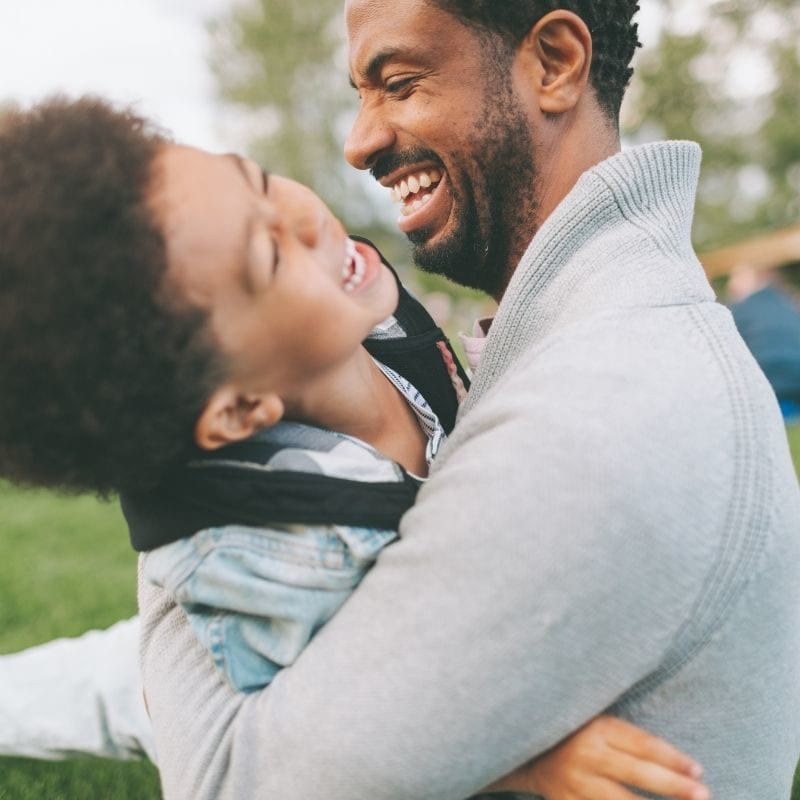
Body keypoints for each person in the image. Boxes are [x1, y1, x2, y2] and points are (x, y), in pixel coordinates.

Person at [131, 1, 800, 798]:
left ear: (553, 62)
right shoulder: (583, 342)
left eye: (401, 84)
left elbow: (229, 779)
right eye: (361, 93)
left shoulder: (594, 418)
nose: (359, 141)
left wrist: (155, 446)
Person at [0, 96, 708, 799]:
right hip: (242, 654)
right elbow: (331, 739)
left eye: (261, 180)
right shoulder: (267, 565)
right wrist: (523, 759)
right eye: (270, 253)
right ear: (241, 405)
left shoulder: (363, 321)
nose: (305, 216)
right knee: (98, 697)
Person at [727, 262, 800, 422]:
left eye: (737, 277)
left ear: (759, 278)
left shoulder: (740, 309)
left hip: (768, 380)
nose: (731, 283)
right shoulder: (785, 302)